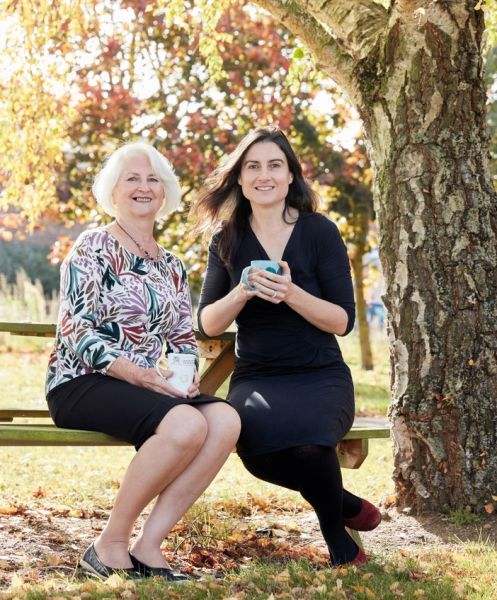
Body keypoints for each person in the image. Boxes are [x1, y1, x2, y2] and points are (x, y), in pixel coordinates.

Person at [45, 142, 241, 580]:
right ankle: (107, 545)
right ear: (113, 191)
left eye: (153, 179)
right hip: (83, 380)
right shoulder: (93, 245)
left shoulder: (171, 264)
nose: (143, 186)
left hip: (146, 386)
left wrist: (186, 380)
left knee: (225, 420)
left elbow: (180, 336)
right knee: (186, 424)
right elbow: (76, 331)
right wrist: (138, 375)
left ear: (165, 192)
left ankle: (149, 546)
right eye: (132, 178)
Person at [191, 127, 381, 567]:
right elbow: (207, 324)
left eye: (275, 165)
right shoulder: (227, 238)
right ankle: (347, 503)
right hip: (259, 376)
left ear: (291, 175)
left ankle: (341, 544)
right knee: (257, 452)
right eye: (252, 167)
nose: (264, 175)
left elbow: (343, 321)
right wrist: (240, 292)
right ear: (239, 179)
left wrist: (292, 293)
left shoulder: (320, 232)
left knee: (311, 444)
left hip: (319, 373)